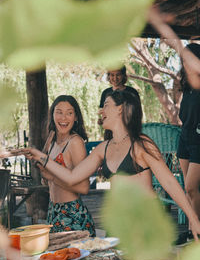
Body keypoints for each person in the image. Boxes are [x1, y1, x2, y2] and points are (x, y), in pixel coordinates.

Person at [24, 90, 200, 240]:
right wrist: (41, 157)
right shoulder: (104, 148)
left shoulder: (140, 144)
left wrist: (193, 218)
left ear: (120, 109)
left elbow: (169, 182)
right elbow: (72, 177)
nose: (101, 111)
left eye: (106, 105)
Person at [38, 95, 95, 236]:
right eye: (59, 112)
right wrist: (45, 178)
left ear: (75, 117)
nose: (63, 118)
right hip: (53, 212)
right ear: (52, 115)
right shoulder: (51, 142)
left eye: (69, 113)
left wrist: (50, 177)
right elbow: (49, 181)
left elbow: (84, 187)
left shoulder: (75, 142)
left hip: (71, 214)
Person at [177, 43, 200, 239]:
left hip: (198, 139)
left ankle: (198, 230)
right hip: (184, 137)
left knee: (192, 187)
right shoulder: (187, 86)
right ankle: (192, 230)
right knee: (187, 189)